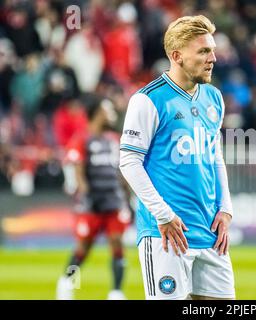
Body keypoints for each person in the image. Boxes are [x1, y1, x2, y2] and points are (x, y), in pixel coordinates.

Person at [119, 15, 235, 300]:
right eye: (204, 51)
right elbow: (129, 162)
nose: (213, 58)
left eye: (213, 50)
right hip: (166, 235)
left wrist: (226, 207)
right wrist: (164, 214)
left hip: (210, 233)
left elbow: (214, 154)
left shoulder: (214, 98)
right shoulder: (147, 100)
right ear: (177, 55)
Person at [56, 96, 131, 300]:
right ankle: (67, 283)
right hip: (91, 205)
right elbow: (76, 170)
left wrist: (128, 197)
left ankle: (116, 292)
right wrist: (85, 193)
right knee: (83, 248)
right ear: (98, 113)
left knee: (117, 243)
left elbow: (122, 172)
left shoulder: (114, 140)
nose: (112, 114)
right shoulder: (82, 139)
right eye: (108, 110)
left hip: (114, 203)